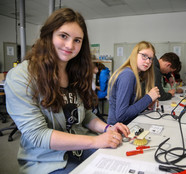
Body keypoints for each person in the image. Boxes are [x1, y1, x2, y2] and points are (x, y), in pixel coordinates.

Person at [4, 8, 129, 174]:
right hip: (46, 159)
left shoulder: (74, 71)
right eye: (63, 36)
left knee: (122, 161)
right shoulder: (21, 76)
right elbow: (38, 135)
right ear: (49, 35)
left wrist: (108, 129)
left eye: (77, 40)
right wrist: (95, 141)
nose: (70, 45)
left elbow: (85, 115)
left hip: (80, 148)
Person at [107, 41, 160, 125]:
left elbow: (131, 106)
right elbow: (121, 115)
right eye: (144, 56)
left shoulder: (136, 74)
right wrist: (148, 97)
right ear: (135, 54)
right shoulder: (128, 75)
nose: (147, 61)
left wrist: (146, 104)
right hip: (117, 130)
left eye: (150, 58)